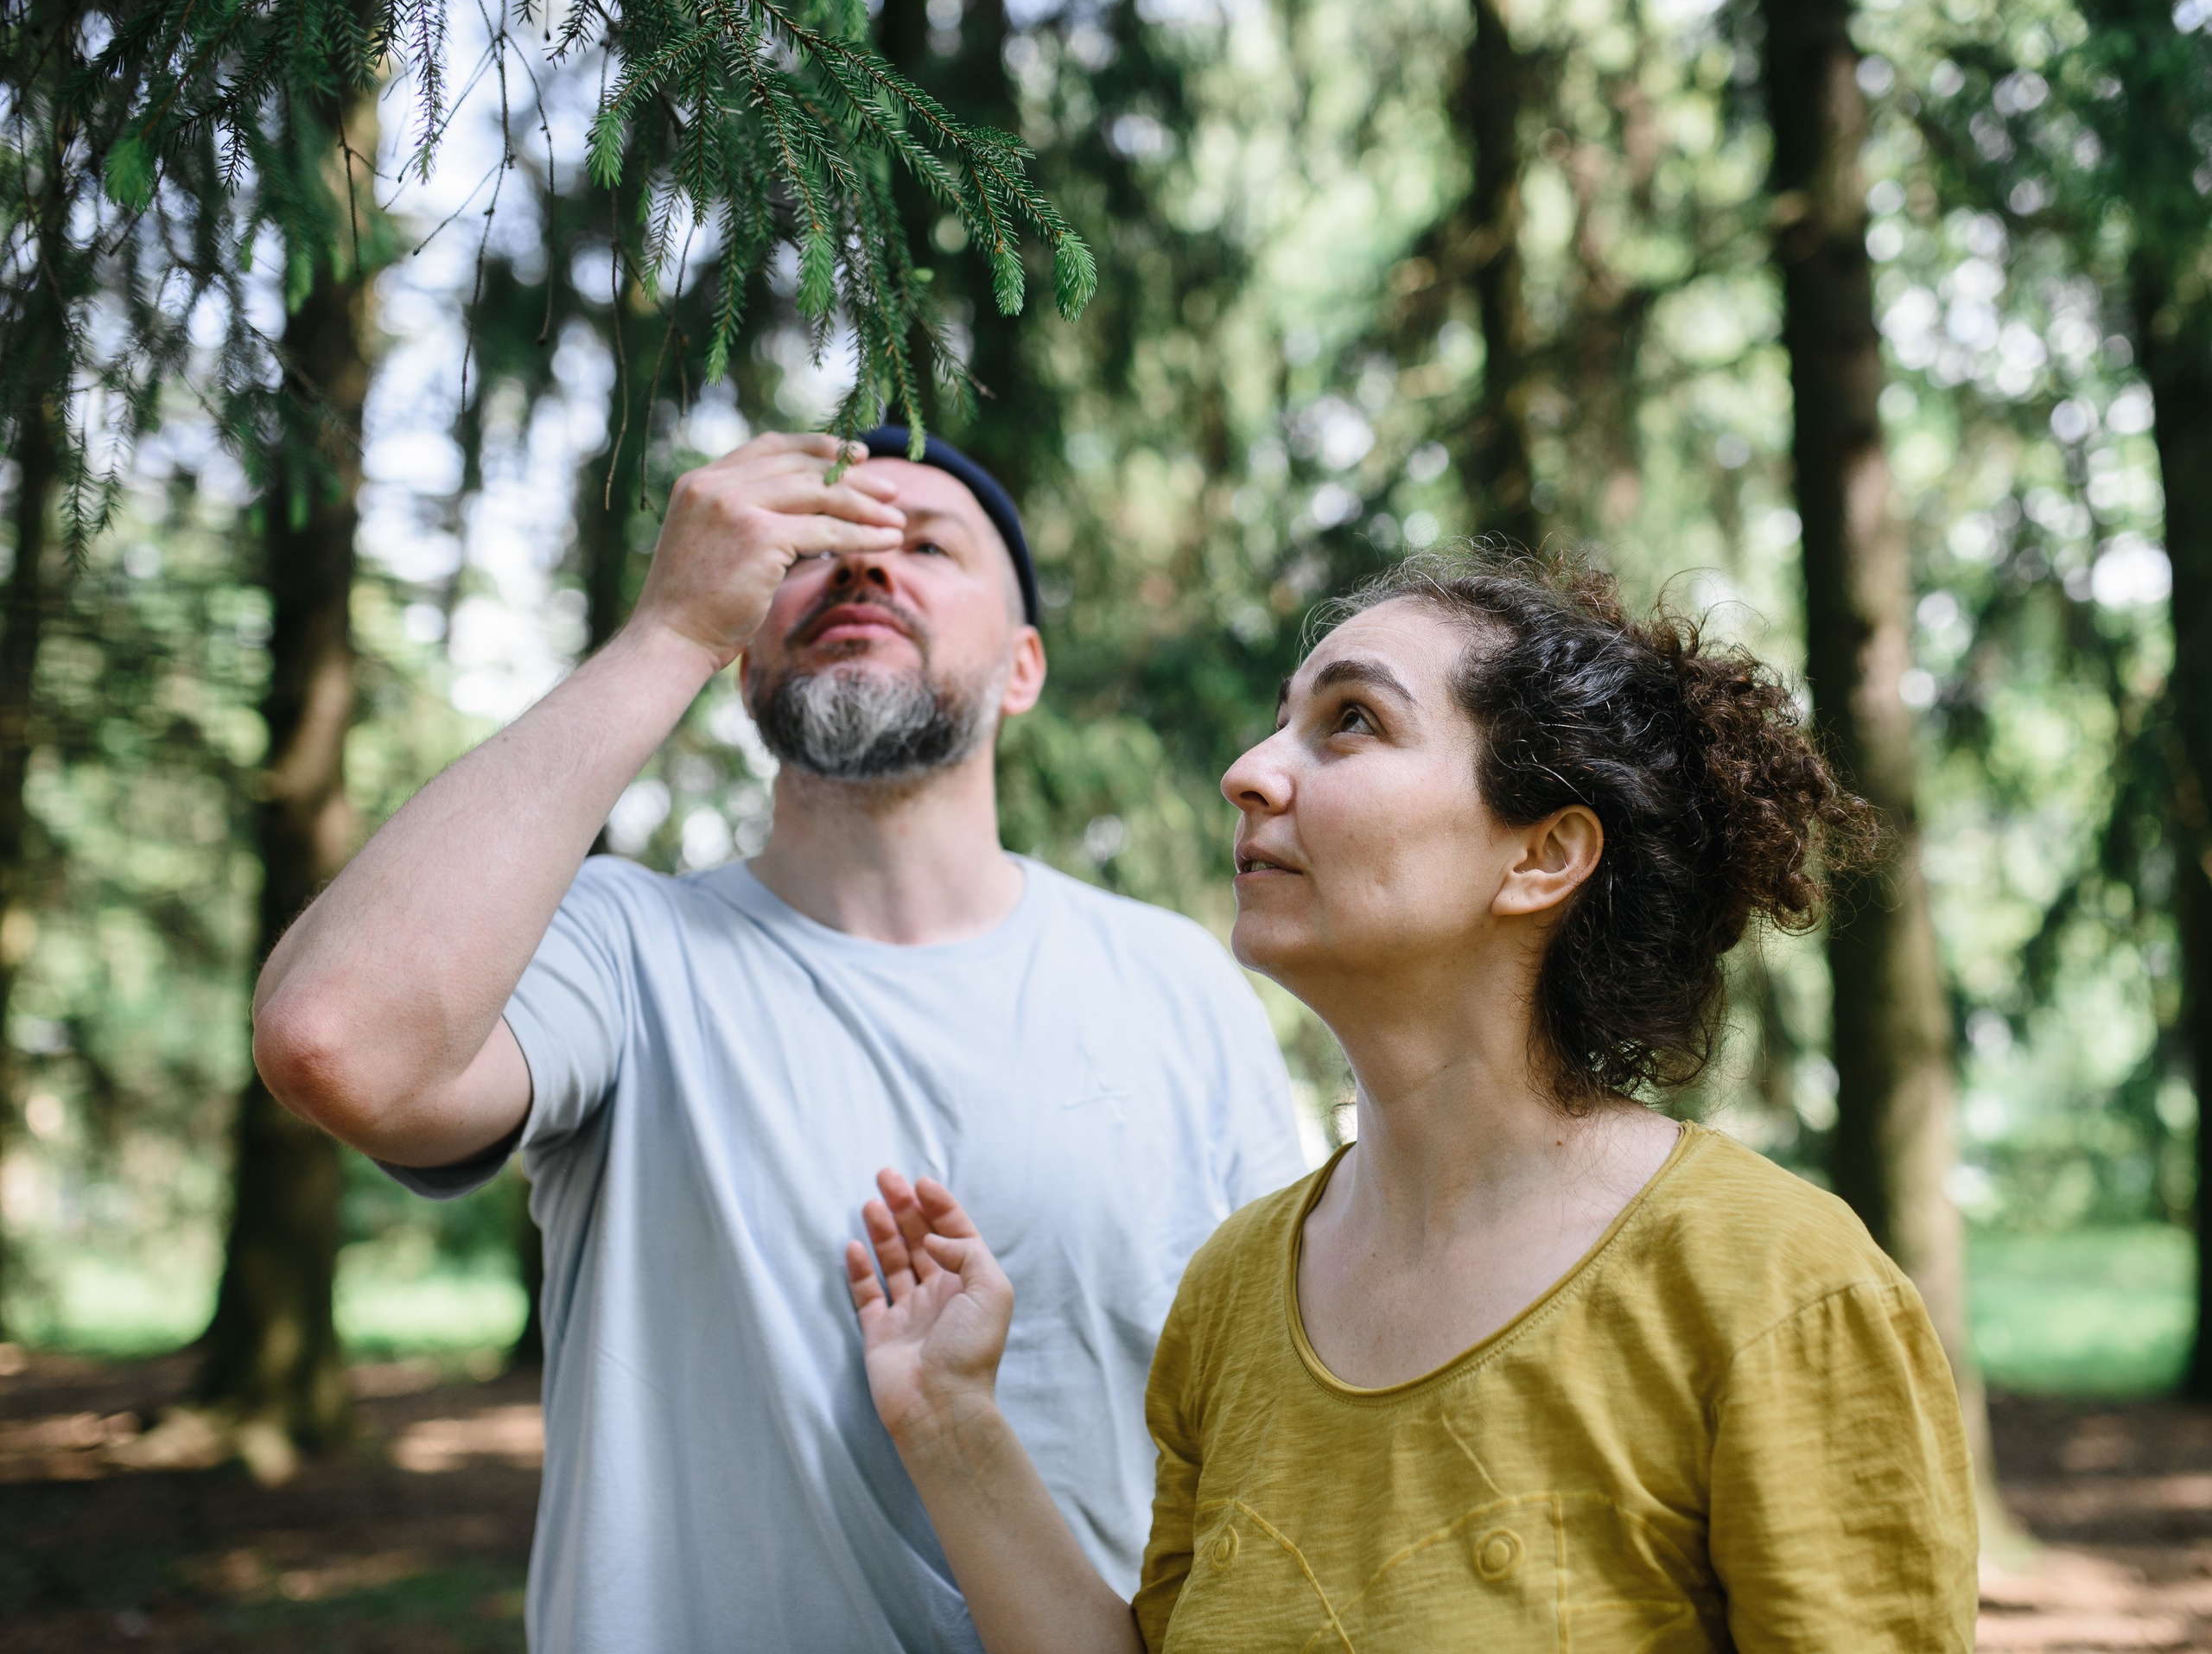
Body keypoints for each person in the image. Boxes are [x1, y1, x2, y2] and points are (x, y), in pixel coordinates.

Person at [250, 429, 1306, 1652]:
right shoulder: (621, 950)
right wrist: (665, 632)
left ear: (1023, 669)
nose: (865, 569)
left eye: (926, 546)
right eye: (817, 547)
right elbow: (337, 1041)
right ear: (743, 651)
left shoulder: (1177, 981)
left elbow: (1268, 1430)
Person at [847, 552, 1980, 1652]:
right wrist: (952, 1425)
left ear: (1543, 854)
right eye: (1284, 719)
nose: (1248, 771)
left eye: (1352, 722)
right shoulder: (1233, 1293)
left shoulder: (1773, 1283)